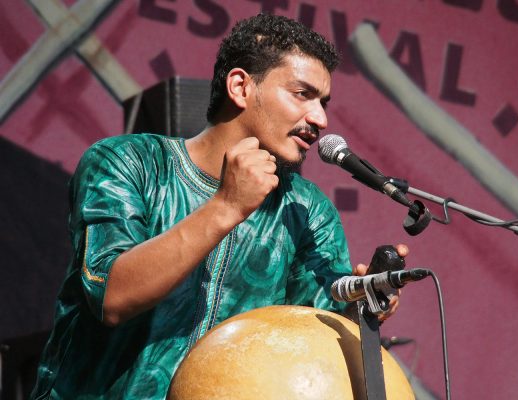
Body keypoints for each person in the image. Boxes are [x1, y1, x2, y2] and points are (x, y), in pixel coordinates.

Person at [31, 13, 406, 399]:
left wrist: (362, 305)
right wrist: (227, 206)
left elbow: (308, 333)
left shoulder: (306, 209)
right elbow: (111, 296)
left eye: (323, 101)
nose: (321, 119)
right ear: (241, 87)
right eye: (302, 94)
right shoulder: (128, 162)